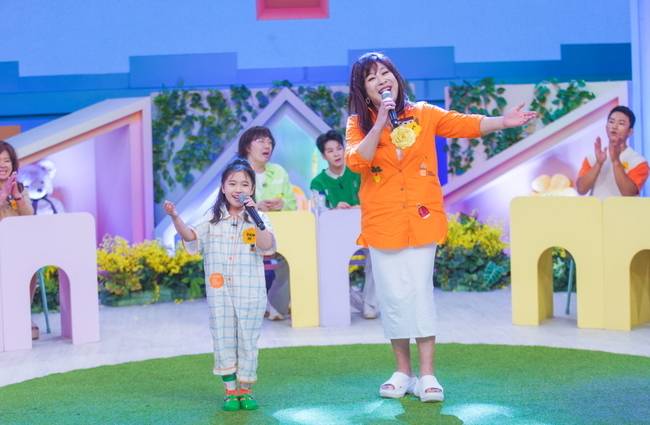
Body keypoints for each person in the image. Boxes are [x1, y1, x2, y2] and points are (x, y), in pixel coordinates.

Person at [345, 52, 536, 402]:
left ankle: (428, 375)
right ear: (363, 89)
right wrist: (380, 121)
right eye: (372, 77)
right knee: (393, 298)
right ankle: (402, 372)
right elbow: (357, 160)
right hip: (383, 222)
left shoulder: (423, 113)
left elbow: (464, 123)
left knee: (420, 293)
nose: (382, 80)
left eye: (386, 73)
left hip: (421, 219)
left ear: (396, 77)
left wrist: (504, 121)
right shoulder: (357, 124)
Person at [163, 158, 275, 412]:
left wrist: (255, 218)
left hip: (250, 294)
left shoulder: (259, 218)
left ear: (252, 189)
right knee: (223, 338)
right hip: (220, 293)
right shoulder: (211, 219)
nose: (238, 189)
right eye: (232, 183)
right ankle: (230, 392)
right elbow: (191, 237)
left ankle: (246, 390)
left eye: (244, 184)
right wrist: (175, 217)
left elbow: (267, 245)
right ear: (223, 188)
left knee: (248, 339)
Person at [310, 130, 378, 319]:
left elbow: (374, 197)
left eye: (339, 148)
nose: (336, 154)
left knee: (376, 256)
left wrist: (360, 206)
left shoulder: (358, 172)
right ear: (323, 156)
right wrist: (334, 209)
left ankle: (370, 304)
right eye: (330, 151)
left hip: (365, 229)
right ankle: (346, 302)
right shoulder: (317, 182)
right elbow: (318, 211)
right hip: (335, 236)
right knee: (327, 262)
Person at [238, 126, 296, 320]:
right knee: (245, 258)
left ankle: (275, 304)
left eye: (270, 142)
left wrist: (282, 204)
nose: (267, 146)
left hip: (279, 233)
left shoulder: (279, 172)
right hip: (246, 233)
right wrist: (256, 208)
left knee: (292, 260)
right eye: (261, 141)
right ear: (247, 146)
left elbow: (293, 205)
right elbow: (230, 206)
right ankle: (248, 307)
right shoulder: (237, 173)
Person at [0, 141, 36, 337]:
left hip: (16, 250)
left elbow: (29, 217)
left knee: (31, 268)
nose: (2, 165)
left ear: (13, 164)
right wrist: (3, 195)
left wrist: (16, 196)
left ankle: (23, 316)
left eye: (6, 160)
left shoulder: (20, 188)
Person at [576, 106, 649, 198]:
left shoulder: (639, 162)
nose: (614, 126)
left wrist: (616, 161)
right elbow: (581, 190)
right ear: (606, 128)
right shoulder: (592, 158)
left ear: (630, 132)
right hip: (596, 207)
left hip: (623, 208)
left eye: (621, 123)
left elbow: (629, 194)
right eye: (611, 122)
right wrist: (598, 163)